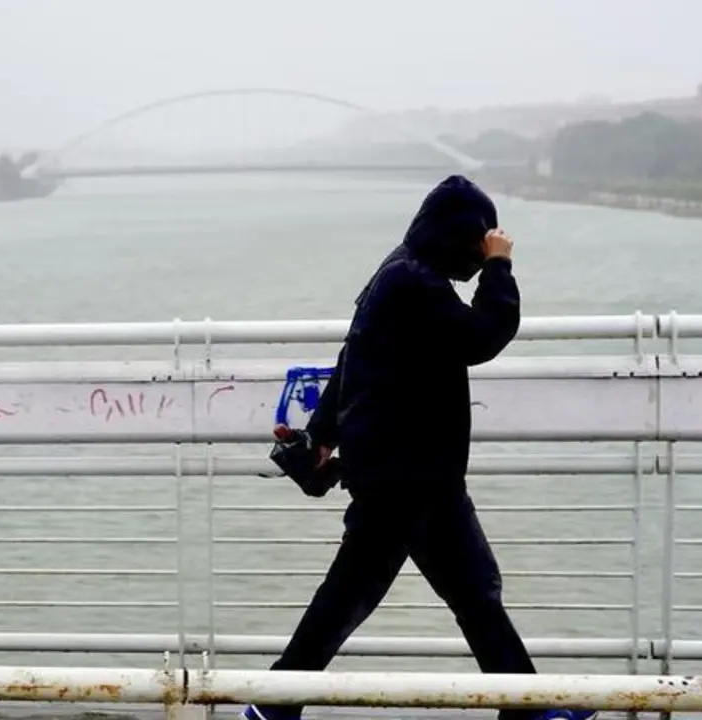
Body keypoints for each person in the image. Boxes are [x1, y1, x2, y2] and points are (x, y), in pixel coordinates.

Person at [241, 176, 594, 720]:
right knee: (359, 597)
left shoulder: (402, 272)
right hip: (403, 477)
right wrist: (500, 266)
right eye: (478, 244)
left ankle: (527, 706)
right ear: (460, 235)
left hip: (416, 474)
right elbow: (481, 337)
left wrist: (322, 437)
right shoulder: (414, 282)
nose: (479, 257)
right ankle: (274, 704)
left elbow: (351, 362)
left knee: (472, 592)